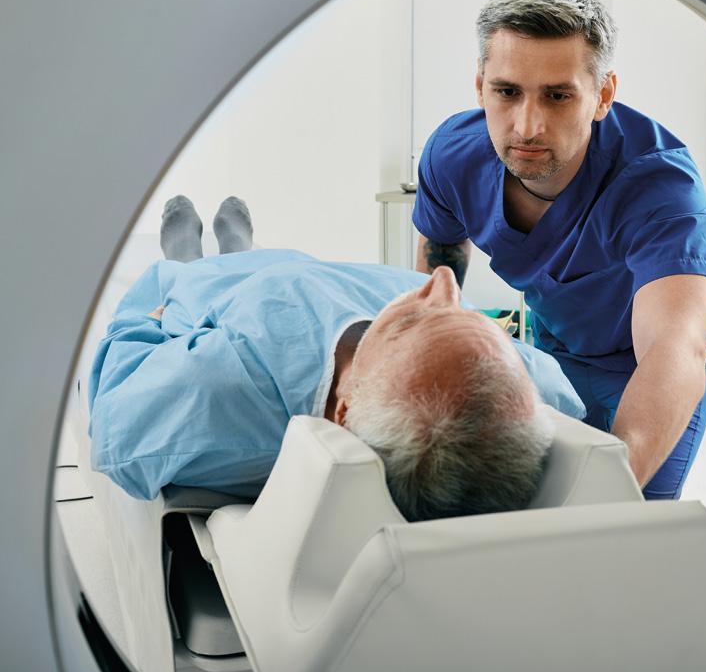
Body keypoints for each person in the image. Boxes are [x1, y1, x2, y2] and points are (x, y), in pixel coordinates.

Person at [412, 0, 706, 500]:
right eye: (507, 92)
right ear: (480, 85)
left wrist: (607, 495)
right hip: (558, 343)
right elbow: (439, 266)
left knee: (624, 512)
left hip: (647, 361)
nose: (527, 126)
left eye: (558, 96)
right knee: (522, 491)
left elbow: (674, 346)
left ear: (602, 96)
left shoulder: (658, 185)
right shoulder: (452, 155)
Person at [89, 196, 586, 521]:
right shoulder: (531, 390)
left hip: (221, 299)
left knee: (188, 277)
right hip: (323, 275)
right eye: (465, 317)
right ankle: (240, 247)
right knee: (261, 257)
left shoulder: (225, 391)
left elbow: (116, 419)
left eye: (412, 324)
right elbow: (561, 394)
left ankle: (185, 256)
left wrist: (148, 321)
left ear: (343, 411)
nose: (442, 280)